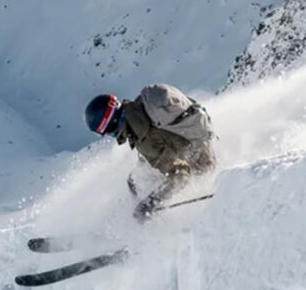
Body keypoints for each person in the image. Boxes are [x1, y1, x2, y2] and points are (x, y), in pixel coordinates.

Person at [84, 83, 215, 221]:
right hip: (202, 130)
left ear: (112, 123)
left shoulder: (145, 141)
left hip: (201, 162)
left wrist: (151, 203)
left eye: (107, 131)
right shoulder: (142, 105)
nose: (110, 135)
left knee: (143, 181)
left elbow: (181, 176)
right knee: (135, 179)